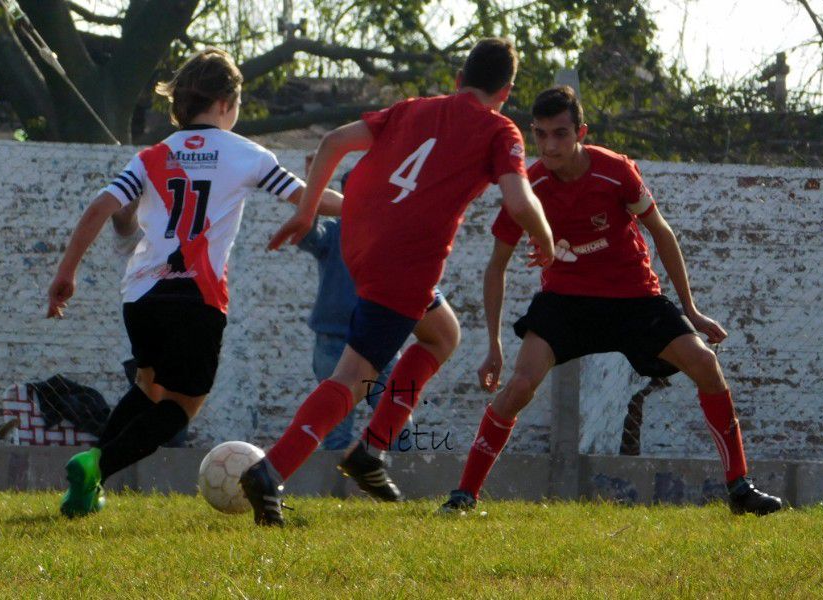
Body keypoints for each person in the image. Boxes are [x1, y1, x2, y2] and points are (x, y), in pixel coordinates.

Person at [239, 38, 556, 526]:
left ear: (458, 79)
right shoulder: (499, 129)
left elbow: (332, 143)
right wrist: (545, 236)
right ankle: (269, 472)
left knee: (442, 333)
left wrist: (306, 212)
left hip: (361, 239)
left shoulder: (412, 108)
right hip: (405, 262)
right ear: (506, 91)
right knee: (355, 376)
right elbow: (519, 201)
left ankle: (370, 453)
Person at [439, 85, 782, 516]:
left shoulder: (615, 171)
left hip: (633, 299)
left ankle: (740, 489)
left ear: (580, 131)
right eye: (540, 135)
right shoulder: (529, 187)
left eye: (560, 133)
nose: (549, 145)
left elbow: (661, 231)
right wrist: (493, 345)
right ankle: (464, 496)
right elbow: (496, 266)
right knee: (520, 387)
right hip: (565, 301)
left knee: (706, 365)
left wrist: (690, 309)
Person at [46, 48, 342, 517]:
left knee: (148, 388)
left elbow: (101, 207)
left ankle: (84, 490)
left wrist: (66, 273)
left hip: (141, 297)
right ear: (227, 103)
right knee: (183, 404)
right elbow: (306, 198)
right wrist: (363, 204)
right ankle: (97, 462)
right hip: (197, 296)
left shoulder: (152, 156)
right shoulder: (247, 153)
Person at [297, 170, 416, 453]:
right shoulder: (334, 230)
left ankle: (397, 484)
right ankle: (337, 495)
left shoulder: (392, 233)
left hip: (380, 341)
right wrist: (312, 194)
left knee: (397, 425)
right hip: (334, 341)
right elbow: (307, 235)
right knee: (336, 428)